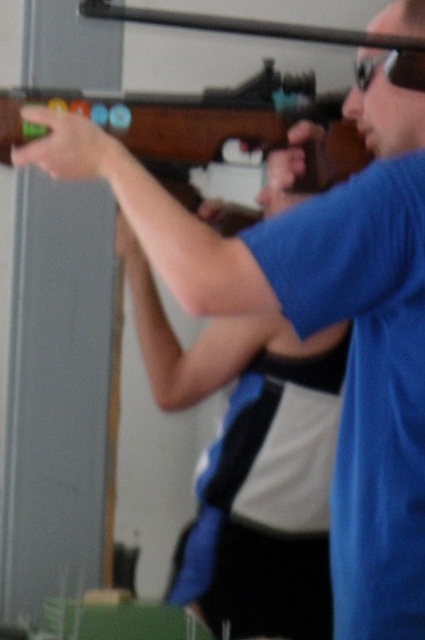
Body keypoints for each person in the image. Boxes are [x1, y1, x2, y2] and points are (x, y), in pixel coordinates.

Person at [12, 0, 425, 640]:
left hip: (400, 603)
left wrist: (108, 157)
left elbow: (205, 285)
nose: (351, 103)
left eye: (366, 74)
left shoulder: (412, 196)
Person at [115, 210, 346, 640]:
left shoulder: (279, 297)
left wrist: (136, 260)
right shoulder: (383, 295)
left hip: (240, 543)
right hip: (324, 549)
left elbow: (171, 387)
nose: (262, 197)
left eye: (276, 186)